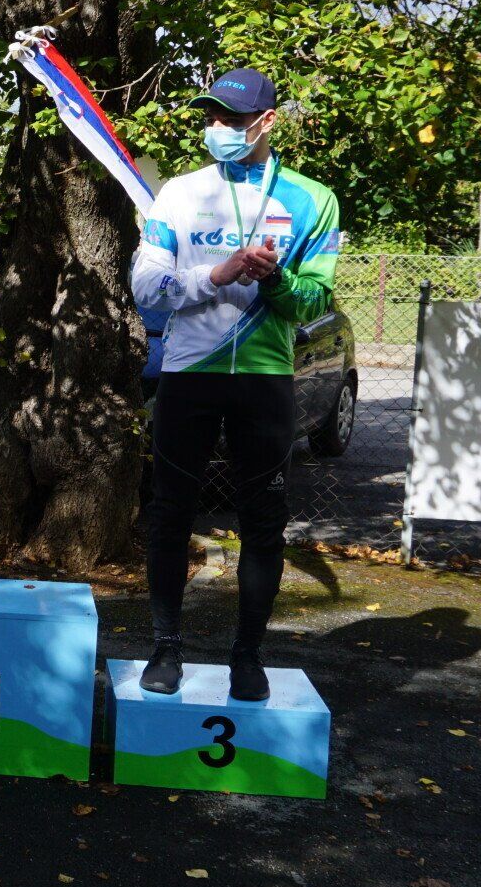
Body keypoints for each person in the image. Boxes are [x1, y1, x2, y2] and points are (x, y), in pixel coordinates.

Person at [130, 68, 340, 701]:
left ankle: (247, 656)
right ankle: (165, 647)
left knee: (263, 522)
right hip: (188, 373)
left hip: (265, 378)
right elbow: (146, 288)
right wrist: (215, 275)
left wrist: (273, 280)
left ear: (267, 122)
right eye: (211, 117)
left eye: (232, 119)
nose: (217, 128)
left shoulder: (312, 200)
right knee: (169, 514)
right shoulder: (179, 193)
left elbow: (314, 302)